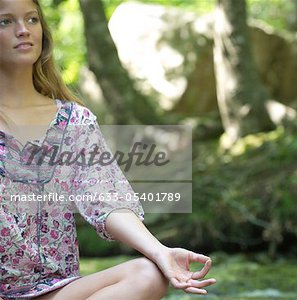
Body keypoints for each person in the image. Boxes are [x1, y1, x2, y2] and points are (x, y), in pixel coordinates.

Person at [0, 0, 216, 299]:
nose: (23, 30)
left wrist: (160, 251)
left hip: (54, 291)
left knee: (148, 273)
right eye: (5, 22)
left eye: (32, 19)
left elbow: (105, 197)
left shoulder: (75, 121)